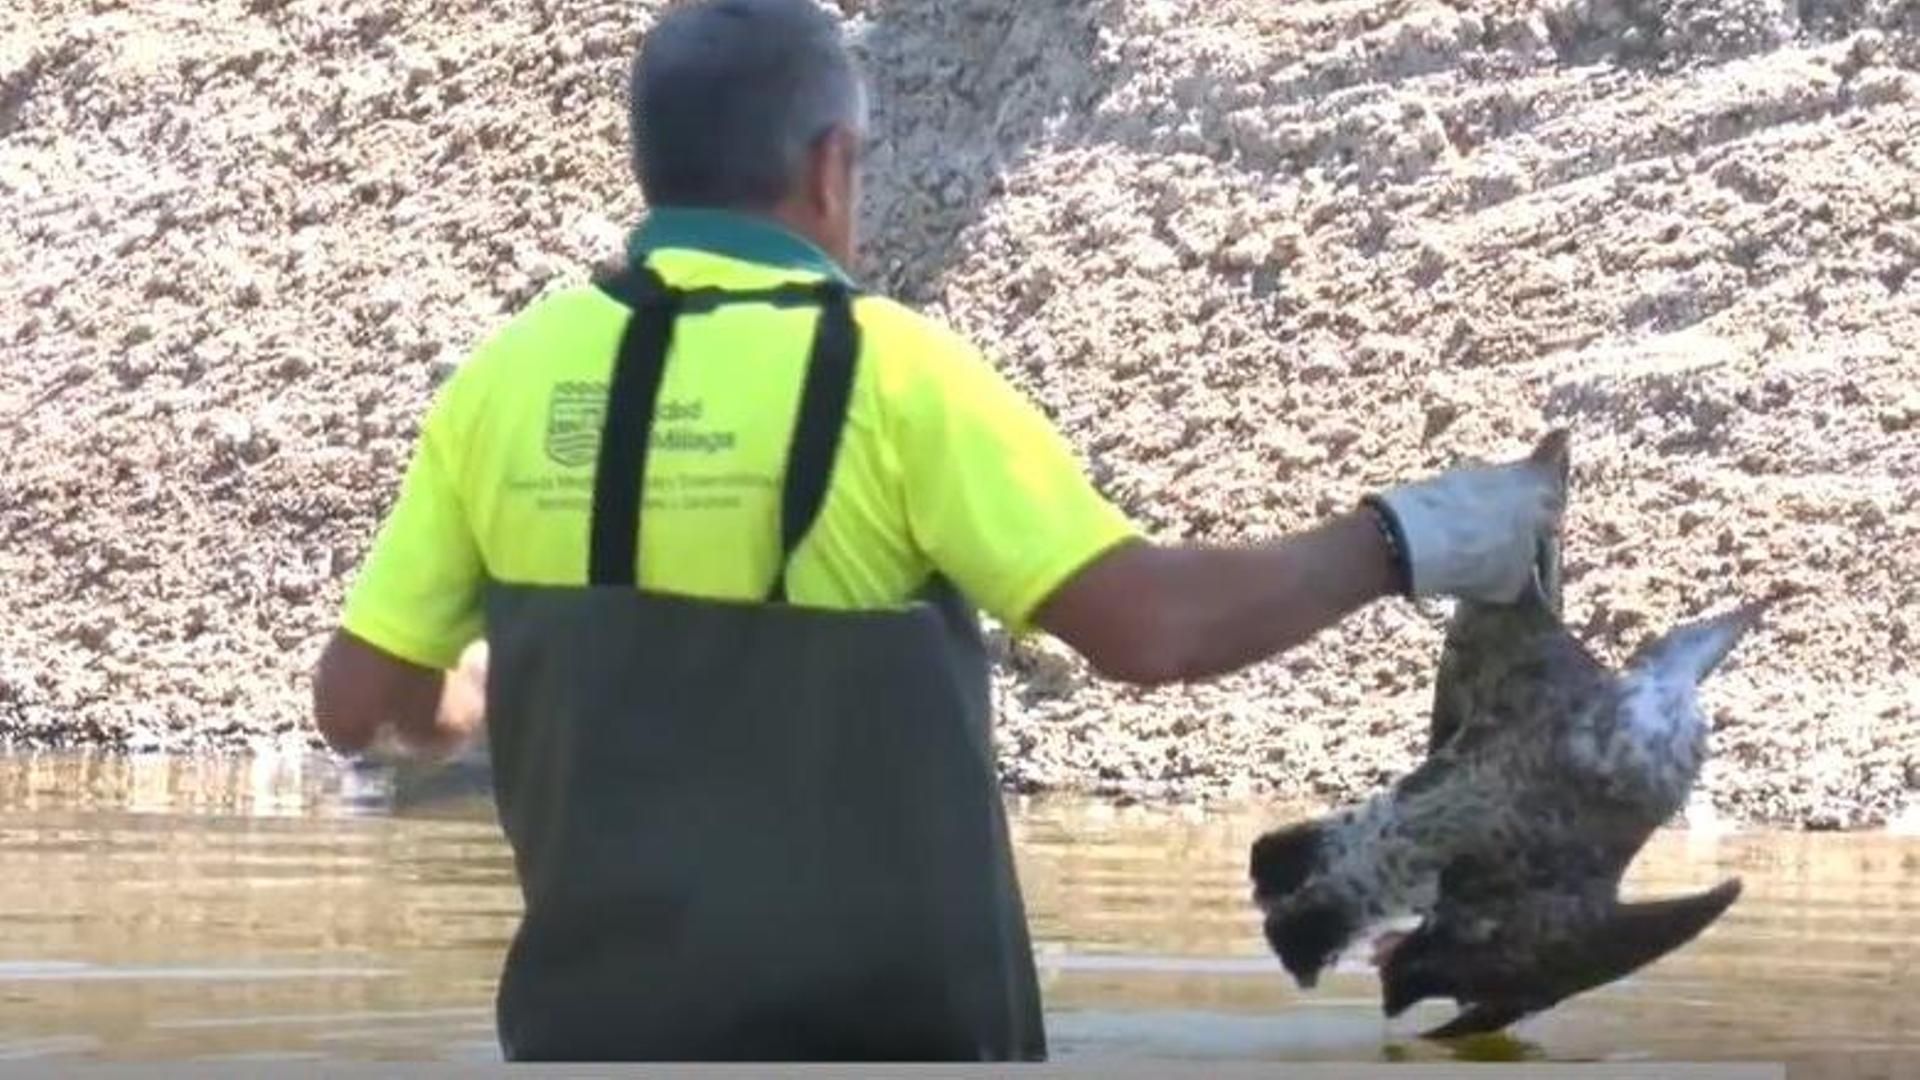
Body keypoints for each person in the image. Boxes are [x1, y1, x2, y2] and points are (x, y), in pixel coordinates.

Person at [309, 0, 1563, 1062]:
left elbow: (358, 704)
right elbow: (1153, 630)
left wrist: (468, 703)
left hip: (597, 1039)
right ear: (830, 168)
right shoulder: (892, 377)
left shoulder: (503, 386)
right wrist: (1409, 538)